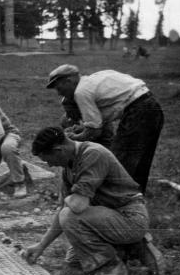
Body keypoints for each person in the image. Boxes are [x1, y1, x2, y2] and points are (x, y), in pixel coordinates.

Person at [24, 127, 152, 275]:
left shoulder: (93, 154)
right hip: (110, 215)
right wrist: (41, 245)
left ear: (59, 150)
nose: (49, 164)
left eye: (48, 159)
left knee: (70, 216)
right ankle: (124, 249)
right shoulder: (69, 166)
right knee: (74, 260)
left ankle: (111, 269)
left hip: (130, 218)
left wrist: (69, 199)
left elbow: (77, 206)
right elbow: (63, 209)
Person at [46, 64, 164, 194]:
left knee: (119, 163)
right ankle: (135, 197)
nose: (58, 92)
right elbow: (104, 115)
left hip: (138, 112)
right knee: (141, 161)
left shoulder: (81, 91)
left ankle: (118, 201)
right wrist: (82, 128)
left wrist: (72, 138)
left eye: (59, 87)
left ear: (68, 80)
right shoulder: (95, 78)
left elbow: (95, 131)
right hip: (151, 106)